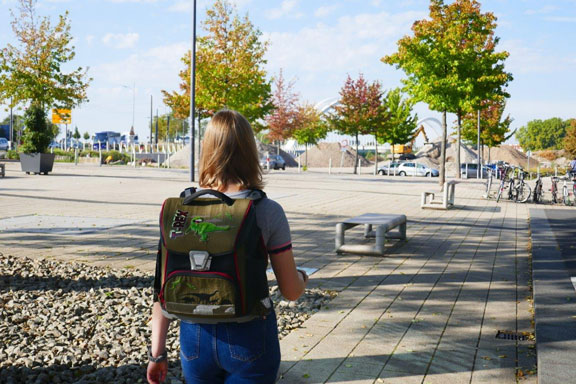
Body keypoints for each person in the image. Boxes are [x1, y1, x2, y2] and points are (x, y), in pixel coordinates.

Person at [147, 109, 308, 384]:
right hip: (249, 336)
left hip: (194, 336)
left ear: (207, 150)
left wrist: (157, 354)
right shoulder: (266, 210)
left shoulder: (181, 212)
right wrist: (303, 277)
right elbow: (291, 291)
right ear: (250, 152)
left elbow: (160, 290)